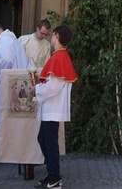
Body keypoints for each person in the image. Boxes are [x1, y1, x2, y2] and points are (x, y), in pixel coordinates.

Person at [34, 25, 77, 189]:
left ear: (57, 35)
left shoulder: (59, 57)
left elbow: (54, 86)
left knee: (49, 142)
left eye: (52, 35)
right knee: (44, 139)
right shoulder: (60, 56)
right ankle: (52, 174)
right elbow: (53, 79)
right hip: (51, 106)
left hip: (53, 107)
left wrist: (36, 89)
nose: (51, 37)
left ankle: (54, 177)